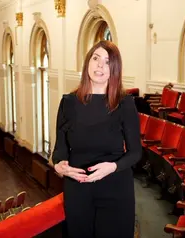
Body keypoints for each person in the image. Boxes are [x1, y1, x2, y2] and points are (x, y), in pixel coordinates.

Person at [51, 40, 142, 238]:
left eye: (107, 62)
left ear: (114, 70)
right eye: (95, 58)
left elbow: (136, 152)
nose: (100, 65)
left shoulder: (124, 103)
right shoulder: (68, 102)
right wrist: (59, 164)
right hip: (78, 188)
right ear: (87, 63)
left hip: (115, 187)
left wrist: (112, 167)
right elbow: (60, 149)